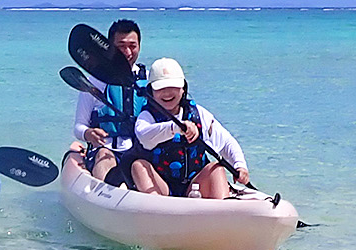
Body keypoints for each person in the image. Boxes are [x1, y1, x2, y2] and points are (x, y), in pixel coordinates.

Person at [130, 58, 251, 199]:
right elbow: (144, 137)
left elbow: (225, 142)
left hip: (195, 184)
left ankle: (222, 212)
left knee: (217, 168)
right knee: (138, 166)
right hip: (161, 187)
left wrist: (239, 165)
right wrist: (176, 127)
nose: (167, 93)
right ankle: (158, 211)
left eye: (173, 87)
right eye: (161, 88)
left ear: (183, 89)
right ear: (151, 91)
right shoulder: (146, 116)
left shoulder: (198, 113)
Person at [71, 18, 148, 186]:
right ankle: (105, 198)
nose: (127, 52)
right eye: (121, 47)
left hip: (140, 152)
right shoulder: (96, 82)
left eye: (132, 46)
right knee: (104, 156)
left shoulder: (149, 80)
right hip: (106, 150)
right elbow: (79, 126)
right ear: (110, 49)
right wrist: (88, 134)